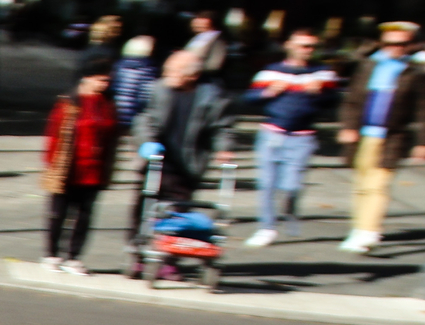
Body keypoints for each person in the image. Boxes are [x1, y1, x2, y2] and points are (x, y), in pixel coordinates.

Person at [129, 51, 232, 256]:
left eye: (173, 71)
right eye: (167, 69)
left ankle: (169, 258)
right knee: (144, 208)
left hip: (187, 166)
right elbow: (144, 119)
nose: (167, 74)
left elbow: (221, 127)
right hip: (156, 162)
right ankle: (138, 251)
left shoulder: (211, 97)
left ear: (192, 76)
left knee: (177, 213)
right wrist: (147, 141)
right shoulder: (157, 90)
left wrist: (224, 148)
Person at [242, 29, 339, 245]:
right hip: (272, 132)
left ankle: (289, 212)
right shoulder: (271, 71)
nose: (307, 50)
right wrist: (267, 93)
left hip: (302, 136)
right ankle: (266, 227)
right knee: (267, 183)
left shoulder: (323, 72)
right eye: (303, 45)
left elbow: (334, 100)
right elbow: (248, 98)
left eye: (312, 46)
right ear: (289, 45)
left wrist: (320, 93)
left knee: (291, 186)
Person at [336, 20, 425, 254]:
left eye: (401, 44)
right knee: (361, 184)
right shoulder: (369, 66)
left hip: (392, 137)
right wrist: (348, 126)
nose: (394, 48)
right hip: (363, 134)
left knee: (377, 184)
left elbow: (422, 110)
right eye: (389, 43)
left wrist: (421, 142)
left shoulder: (415, 72)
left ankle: (368, 231)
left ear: (411, 45)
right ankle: (359, 228)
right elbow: (352, 100)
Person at [40, 64, 121, 274]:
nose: (105, 84)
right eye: (100, 79)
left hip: (94, 171)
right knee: (58, 213)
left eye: (107, 80)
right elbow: (54, 135)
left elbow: (113, 136)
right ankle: (51, 254)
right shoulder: (69, 103)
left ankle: (74, 257)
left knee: (84, 216)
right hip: (69, 168)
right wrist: (51, 164)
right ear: (86, 78)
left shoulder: (108, 104)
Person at [109, 36, 156, 126]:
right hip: (133, 117)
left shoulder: (118, 66)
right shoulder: (147, 69)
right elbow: (146, 95)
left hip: (114, 114)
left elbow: (112, 88)